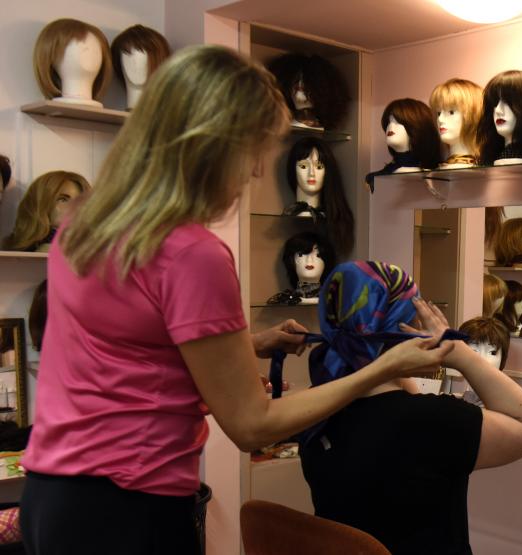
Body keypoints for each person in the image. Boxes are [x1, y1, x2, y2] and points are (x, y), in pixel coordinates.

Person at [18, 46, 454, 555]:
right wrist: (382, 369)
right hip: (129, 512)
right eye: (254, 151)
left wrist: (249, 342)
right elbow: (251, 426)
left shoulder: (84, 226)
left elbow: (130, 348)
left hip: (53, 497)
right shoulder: (191, 254)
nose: (253, 173)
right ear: (211, 145)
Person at [299, 261, 522, 555]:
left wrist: (397, 367)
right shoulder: (433, 422)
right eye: (414, 320)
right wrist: (457, 353)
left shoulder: (312, 413)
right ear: (403, 331)